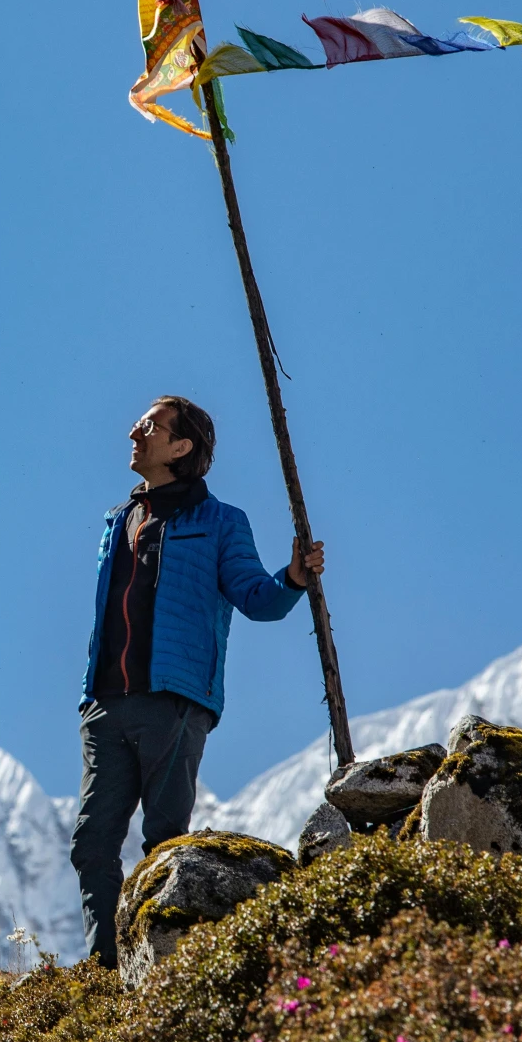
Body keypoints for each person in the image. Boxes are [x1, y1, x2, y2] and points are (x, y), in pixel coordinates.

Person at [71, 395, 323, 968]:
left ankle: (159, 965)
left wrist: (293, 577)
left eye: (151, 426)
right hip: (107, 702)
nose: (135, 431)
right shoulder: (120, 520)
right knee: (91, 844)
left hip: (175, 700)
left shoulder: (221, 521)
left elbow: (258, 600)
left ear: (181, 448)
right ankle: (106, 971)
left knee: (165, 842)